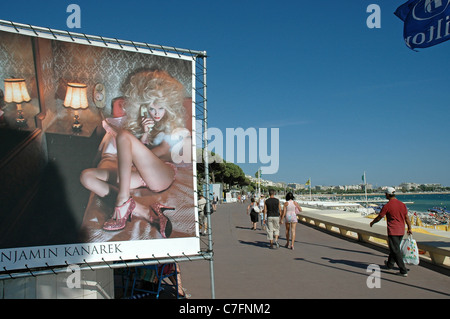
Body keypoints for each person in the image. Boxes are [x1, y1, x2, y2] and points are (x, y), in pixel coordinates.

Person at [80, 68, 188, 237]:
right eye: (152, 109)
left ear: (169, 107)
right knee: (87, 176)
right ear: (145, 108)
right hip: (139, 174)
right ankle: (144, 211)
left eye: (161, 108)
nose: (156, 113)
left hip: (162, 175)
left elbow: (158, 152)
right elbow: (139, 154)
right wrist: (144, 133)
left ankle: (122, 202)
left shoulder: (174, 128)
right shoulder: (147, 123)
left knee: (123, 135)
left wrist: (135, 147)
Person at [370, 187, 412, 277]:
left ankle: (403, 270)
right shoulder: (402, 205)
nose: (385, 195)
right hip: (401, 230)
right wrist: (409, 228)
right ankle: (389, 264)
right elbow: (407, 218)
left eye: (385, 194)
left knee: (395, 250)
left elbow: (379, 217)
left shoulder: (387, 206)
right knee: (395, 248)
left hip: (393, 231)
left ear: (388, 195)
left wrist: (372, 222)